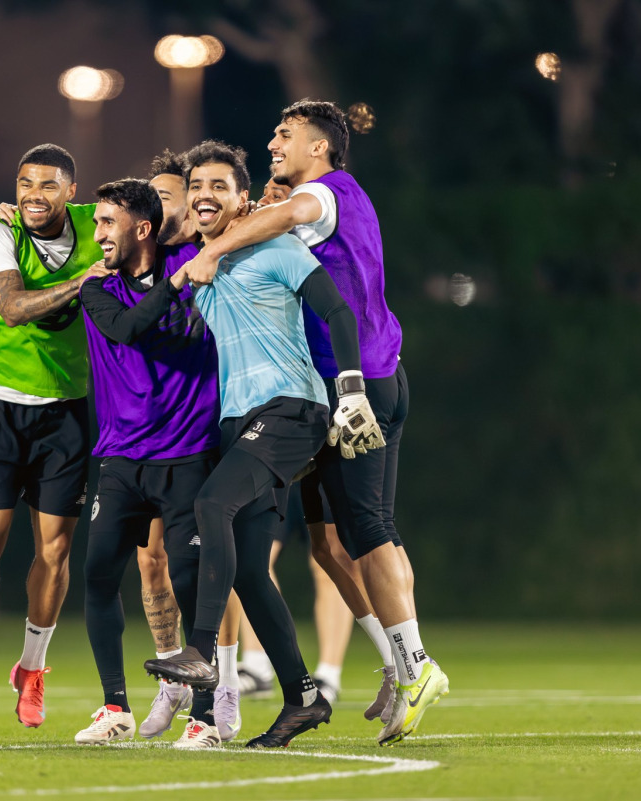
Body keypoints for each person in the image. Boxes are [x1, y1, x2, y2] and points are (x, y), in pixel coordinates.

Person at [182, 99, 447, 746]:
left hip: (360, 385)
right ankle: (399, 662)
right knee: (328, 544)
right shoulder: (309, 202)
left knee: (368, 531)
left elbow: (293, 215)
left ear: (321, 148)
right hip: (337, 388)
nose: (274, 140)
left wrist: (214, 247)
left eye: (287, 134)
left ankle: (414, 666)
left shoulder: (327, 193)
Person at [144, 140, 384, 749]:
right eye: (198, 186)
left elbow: (338, 312)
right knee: (251, 570)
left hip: (292, 410)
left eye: (219, 187)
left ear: (243, 198)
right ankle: (305, 697)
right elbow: (145, 216)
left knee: (210, 506)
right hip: (237, 423)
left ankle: (200, 651)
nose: (204, 196)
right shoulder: (196, 262)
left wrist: (351, 390)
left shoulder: (275, 246)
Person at [0, 144, 110, 729]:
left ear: (72, 192)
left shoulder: (102, 226)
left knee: (56, 549)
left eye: (47, 185)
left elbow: (160, 215)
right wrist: (85, 283)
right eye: (24, 184)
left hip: (65, 408)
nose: (32, 196)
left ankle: (32, 669)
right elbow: (14, 307)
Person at [73, 178, 222, 747]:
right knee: (97, 576)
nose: (98, 234)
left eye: (108, 223)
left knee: (190, 580)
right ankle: (115, 707)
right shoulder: (98, 290)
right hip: (120, 456)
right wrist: (180, 279)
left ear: (142, 228)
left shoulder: (193, 258)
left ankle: (205, 717)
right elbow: (129, 330)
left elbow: (219, 225)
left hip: (188, 453)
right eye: (96, 223)